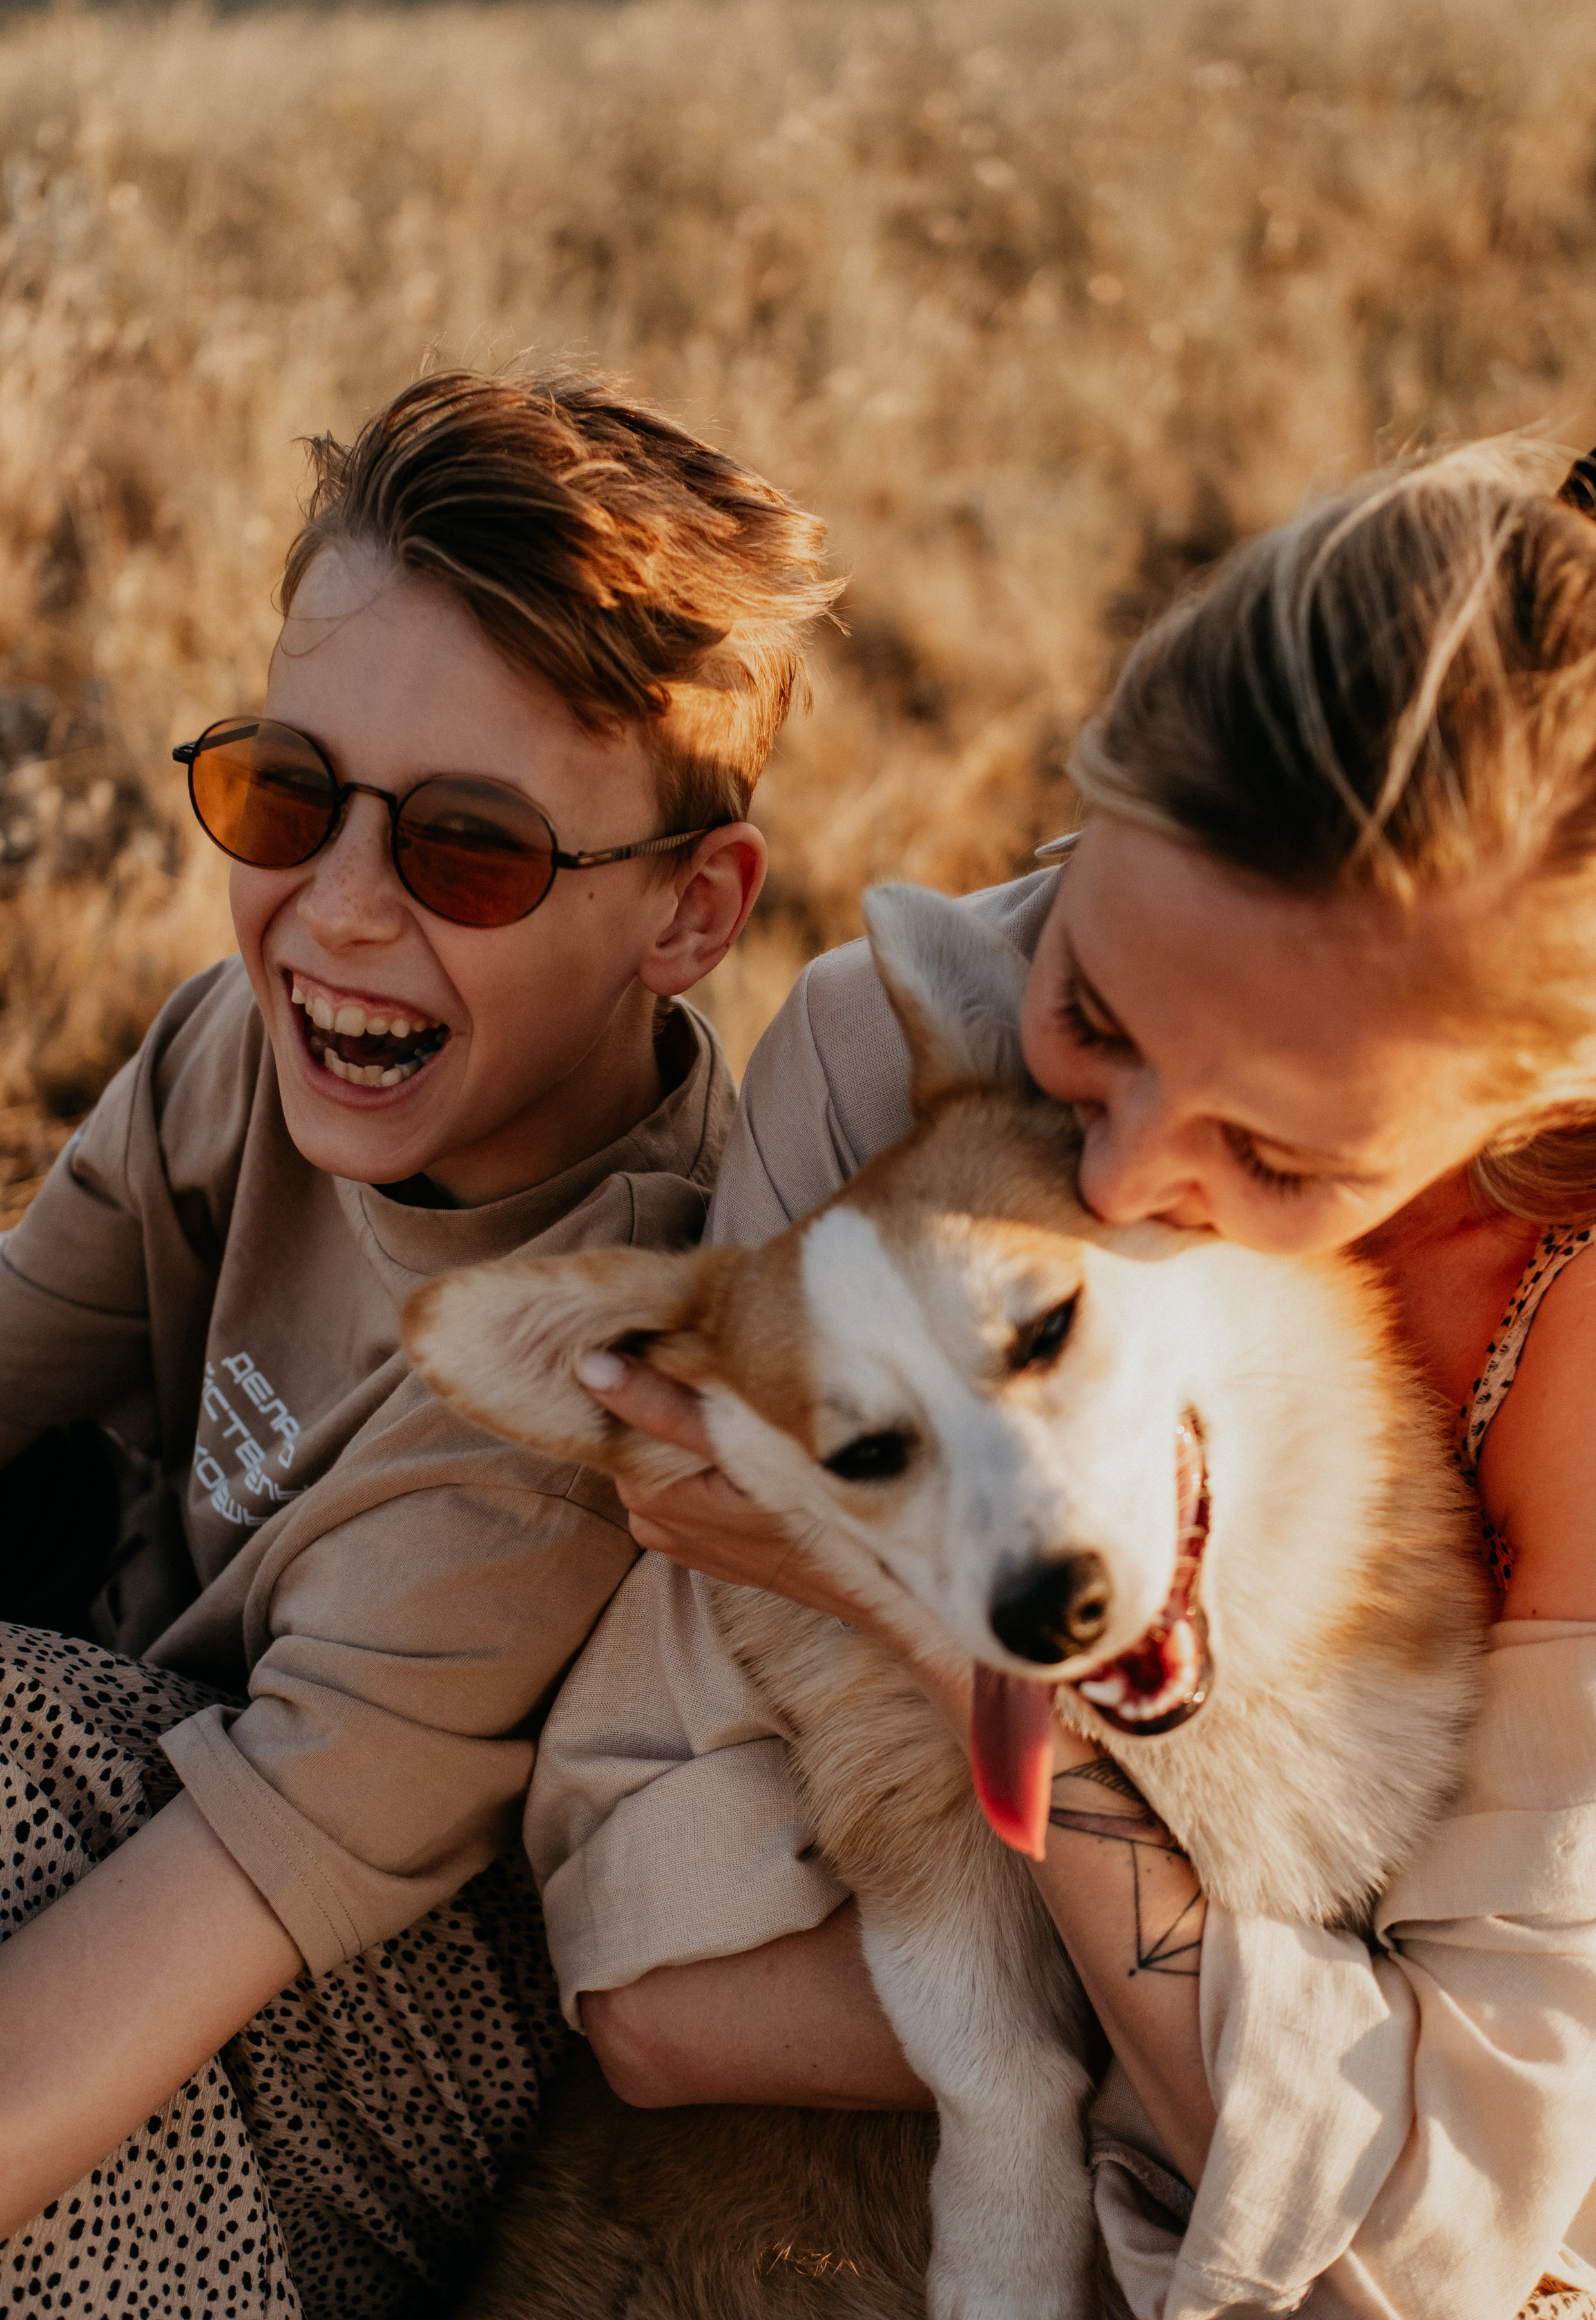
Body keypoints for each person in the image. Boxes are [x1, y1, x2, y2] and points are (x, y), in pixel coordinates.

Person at [527, 441, 1596, 2319]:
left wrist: (942, 1617)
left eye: (1275, 1153)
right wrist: (1265, 2047)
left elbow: (1444, 2241)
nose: (1106, 1185)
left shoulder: (1574, 1362)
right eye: (1094, 1018)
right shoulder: (894, 1053)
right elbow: (659, 1972)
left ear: (1545, 1093)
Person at [0, 367, 838, 2316]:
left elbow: (110, 2010)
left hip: (348, 2101)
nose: (339, 912)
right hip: (149, 1755)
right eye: (290, 797)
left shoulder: (571, 1404)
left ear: (690, 915)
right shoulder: (239, 1054)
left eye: (469, 850)